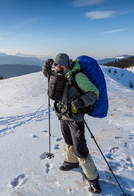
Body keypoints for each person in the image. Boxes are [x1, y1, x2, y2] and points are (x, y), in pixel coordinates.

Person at [42, 53, 101, 194]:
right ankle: (71, 162)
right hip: (63, 115)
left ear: (63, 66)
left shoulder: (78, 77)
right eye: (54, 65)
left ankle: (93, 179)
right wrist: (45, 68)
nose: (54, 67)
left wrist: (81, 101)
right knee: (68, 141)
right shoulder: (60, 73)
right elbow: (49, 75)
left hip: (75, 118)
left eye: (56, 65)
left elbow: (94, 92)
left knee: (80, 147)